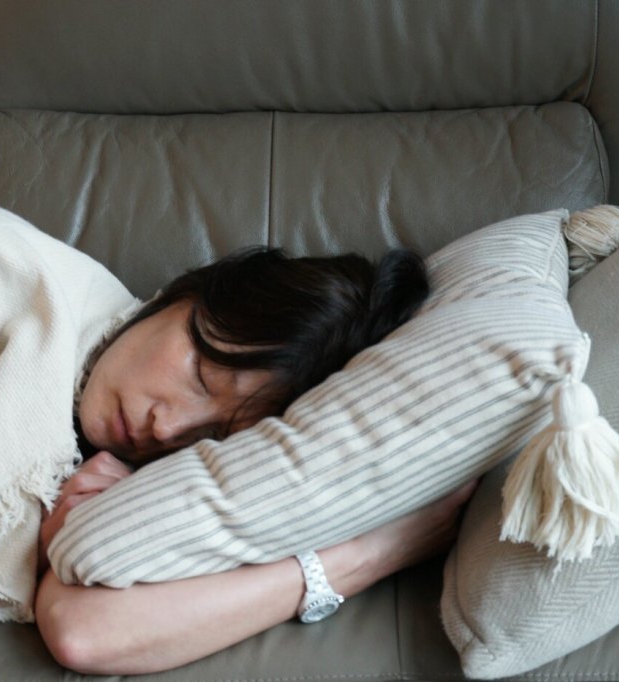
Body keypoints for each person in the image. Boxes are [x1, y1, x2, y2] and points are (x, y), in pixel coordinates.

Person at [34, 246, 478, 675]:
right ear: (187, 293)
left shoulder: (123, 481)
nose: (168, 430)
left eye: (215, 435)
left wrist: (367, 555)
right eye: (202, 378)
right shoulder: (21, 278)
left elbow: (84, 631)